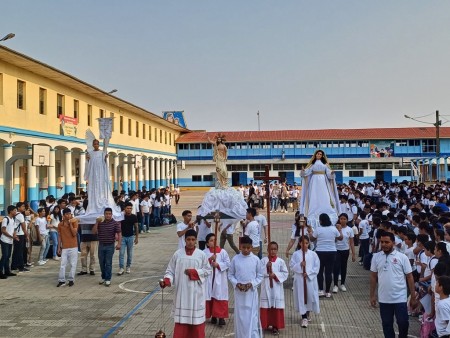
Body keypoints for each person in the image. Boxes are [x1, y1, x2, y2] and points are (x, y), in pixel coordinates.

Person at [160, 229, 211, 338]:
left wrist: (195, 272)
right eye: (188, 239)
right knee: (181, 324)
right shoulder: (178, 254)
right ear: (184, 239)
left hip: (196, 294)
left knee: (197, 324)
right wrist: (167, 280)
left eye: (193, 239)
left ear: (196, 240)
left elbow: (208, 271)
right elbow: (170, 271)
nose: (190, 242)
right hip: (182, 294)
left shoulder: (201, 254)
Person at [370, 231, 417, 338]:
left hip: (400, 298)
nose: (384, 244)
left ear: (393, 243)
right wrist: (372, 295)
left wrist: (413, 297)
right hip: (384, 298)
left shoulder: (402, 257)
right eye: (382, 242)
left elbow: (410, 277)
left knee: (403, 323)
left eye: (387, 242)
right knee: (387, 324)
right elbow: (373, 276)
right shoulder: (376, 257)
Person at [228, 235, 263, 338]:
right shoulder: (235, 259)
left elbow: (260, 276)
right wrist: (237, 283)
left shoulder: (256, 259)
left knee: (252, 316)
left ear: (251, 247)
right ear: (240, 246)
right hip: (239, 293)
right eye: (244, 247)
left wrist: (251, 284)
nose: (246, 250)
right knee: (240, 317)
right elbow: (230, 274)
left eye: (248, 247)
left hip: (251, 293)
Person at [299, 149, 340, 227]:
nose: (319, 155)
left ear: (322, 156)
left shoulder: (325, 164)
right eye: (318, 154)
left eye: (320, 154)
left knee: (325, 195)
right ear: (315, 155)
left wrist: (331, 173)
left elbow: (328, 173)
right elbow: (307, 172)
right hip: (314, 181)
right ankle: (313, 212)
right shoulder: (312, 164)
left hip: (323, 181)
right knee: (314, 196)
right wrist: (303, 171)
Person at [83, 138, 122, 219]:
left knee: (101, 187)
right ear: (92, 145)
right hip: (93, 173)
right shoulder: (90, 153)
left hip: (101, 173)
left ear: (98, 144)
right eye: (94, 144)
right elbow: (88, 164)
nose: (96, 145)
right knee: (94, 188)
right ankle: (94, 206)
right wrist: (87, 160)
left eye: (97, 143)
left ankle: (102, 202)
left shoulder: (102, 152)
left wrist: (105, 159)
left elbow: (105, 163)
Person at [307, 213, 343, 297]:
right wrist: (340, 229)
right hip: (332, 252)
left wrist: (310, 232)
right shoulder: (333, 229)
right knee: (329, 272)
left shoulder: (318, 229)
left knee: (320, 272)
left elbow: (312, 239)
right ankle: (327, 291)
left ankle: (321, 290)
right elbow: (340, 238)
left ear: (321, 221)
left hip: (320, 252)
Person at [290, 235, 320, 328]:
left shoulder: (313, 254)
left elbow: (316, 266)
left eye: (307, 243)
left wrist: (308, 273)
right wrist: (300, 265)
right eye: (303, 243)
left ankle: (308, 313)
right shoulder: (296, 254)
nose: (305, 245)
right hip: (300, 279)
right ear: (299, 243)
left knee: (310, 296)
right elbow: (291, 266)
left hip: (310, 279)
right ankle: (304, 317)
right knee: (302, 297)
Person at [260, 241, 288, 335]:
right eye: (271, 249)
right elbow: (259, 273)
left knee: (276, 306)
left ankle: (276, 326)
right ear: (267, 250)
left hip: (276, 288)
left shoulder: (281, 261)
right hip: (266, 286)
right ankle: (265, 324)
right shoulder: (263, 261)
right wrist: (266, 268)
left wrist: (275, 275)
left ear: (277, 250)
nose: (272, 251)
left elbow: (285, 273)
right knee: (266, 306)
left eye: (274, 249)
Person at [204, 233, 230, 326]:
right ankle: (213, 316)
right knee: (210, 295)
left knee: (219, 295)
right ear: (207, 243)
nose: (214, 242)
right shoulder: (204, 252)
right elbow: (201, 264)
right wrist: (210, 259)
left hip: (220, 278)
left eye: (215, 239)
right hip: (209, 278)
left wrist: (218, 265)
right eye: (211, 240)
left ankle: (221, 317)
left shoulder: (222, 252)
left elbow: (227, 263)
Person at [92, 208, 122, 286]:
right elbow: (94, 232)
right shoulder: (100, 222)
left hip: (110, 245)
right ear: (104, 214)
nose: (108, 215)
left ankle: (108, 279)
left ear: (111, 214)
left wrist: (119, 243)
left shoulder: (115, 223)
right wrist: (96, 223)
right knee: (102, 262)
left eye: (109, 214)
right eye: (106, 214)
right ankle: (103, 277)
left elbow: (119, 233)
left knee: (108, 263)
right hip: (101, 245)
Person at [332, 213, 356, 293]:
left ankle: (342, 284)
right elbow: (333, 239)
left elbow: (352, 242)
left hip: (345, 250)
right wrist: (338, 230)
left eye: (344, 219)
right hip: (336, 250)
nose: (342, 220)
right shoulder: (335, 228)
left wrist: (353, 254)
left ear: (347, 220)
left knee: (344, 267)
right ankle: (335, 285)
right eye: (341, 219)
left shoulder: (350, 229)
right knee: (336, 267)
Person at [57, 208, 79, 287]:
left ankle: (71, 279)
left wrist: (70, 224)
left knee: (73, 264)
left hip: (73, 246)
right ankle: (61, 280)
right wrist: (59, 247)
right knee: (63, 264)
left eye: (69, 214)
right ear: (63, 215)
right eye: (67, 214)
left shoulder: (74, 222)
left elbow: (74, 233)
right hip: (65, 247)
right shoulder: (60, 225)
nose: (68, 215)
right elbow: (59, 236)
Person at [118, 202, 139, 275]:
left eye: (130, 208)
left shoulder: (134, 217)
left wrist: (136, 237)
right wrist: (117, 236)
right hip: (122, 237)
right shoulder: (121, 216)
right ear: (125, 209)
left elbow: (136, 227)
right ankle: (121, 268)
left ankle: (128, 266)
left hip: (130, 237)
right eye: (128, 208)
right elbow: (118, 226)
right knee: (121, 253)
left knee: (129, 253)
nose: (129, 210)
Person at [0, 205, 19, 279]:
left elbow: (13, 229)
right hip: (4, 240)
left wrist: (15, 236)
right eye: (14, 210)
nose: (15, 212)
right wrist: (11, 236)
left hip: (10, 240)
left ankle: (7, 271)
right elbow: (3, 230)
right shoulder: (6, 219)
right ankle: (0, 271)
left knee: (8, 256)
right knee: (5, 256)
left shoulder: (13, 219)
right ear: (10, 211)